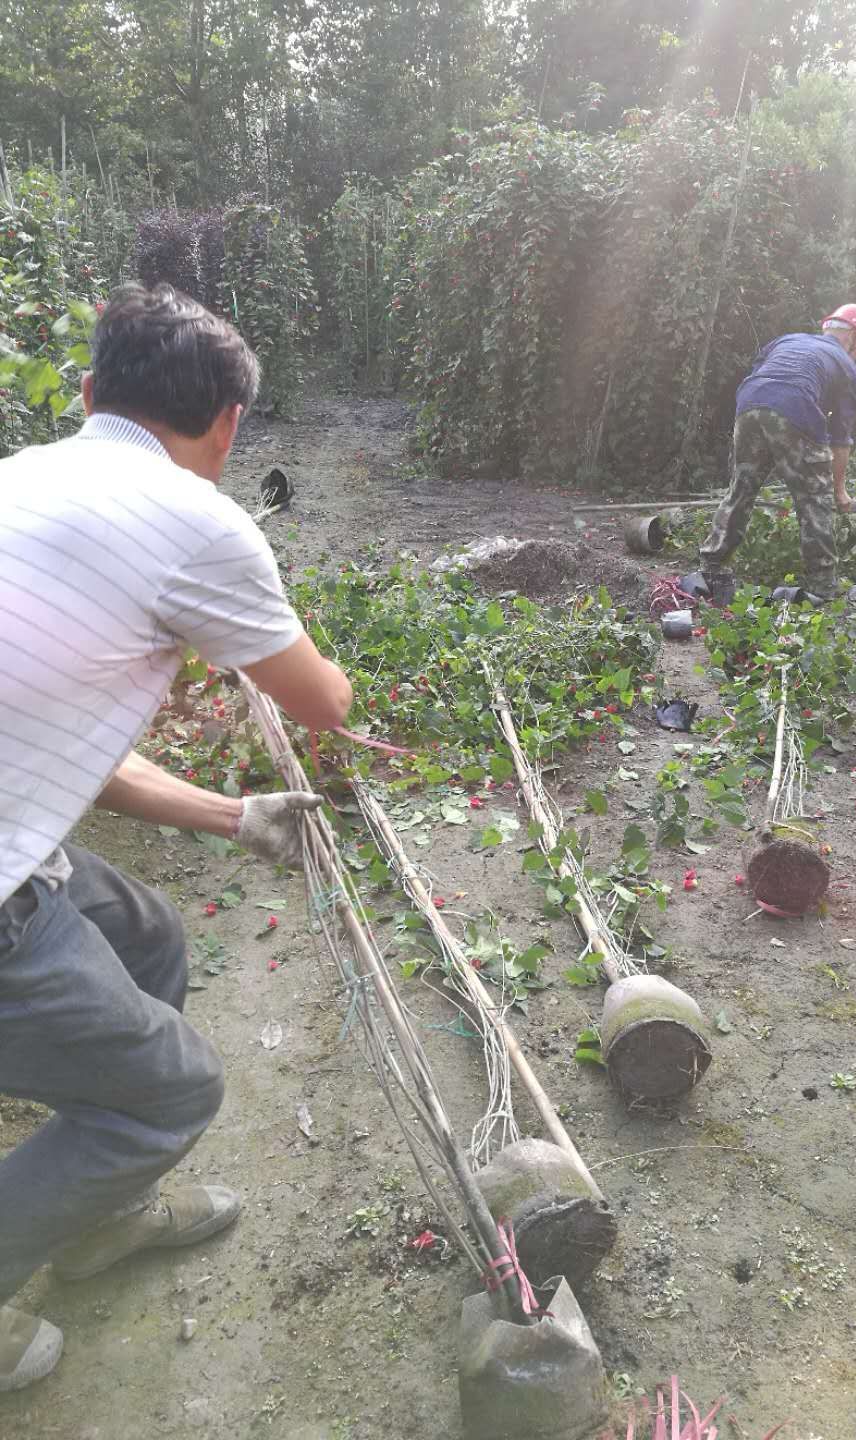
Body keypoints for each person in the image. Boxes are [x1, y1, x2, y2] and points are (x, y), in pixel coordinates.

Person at [0, 284, 354, 1392]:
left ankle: (104, 1213)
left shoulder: (21, 479)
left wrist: (234, 815)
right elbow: (327, 703)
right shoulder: (199, 522)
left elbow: (62, 743)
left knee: (148, 939)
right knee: (174, 1090)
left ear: (93, 392)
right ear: (230, 425)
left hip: (21, 840)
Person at [700, 303, 856, 604]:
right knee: (814, 500)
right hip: (795, 406)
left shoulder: (788, 340)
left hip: (749, 403)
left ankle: (711, 565)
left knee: (741, 488)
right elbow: (841, 439)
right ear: (855, 340)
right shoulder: (847, 367)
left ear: (827, 327)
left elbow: (761, 374)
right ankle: (822, 587)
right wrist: (839, 491)